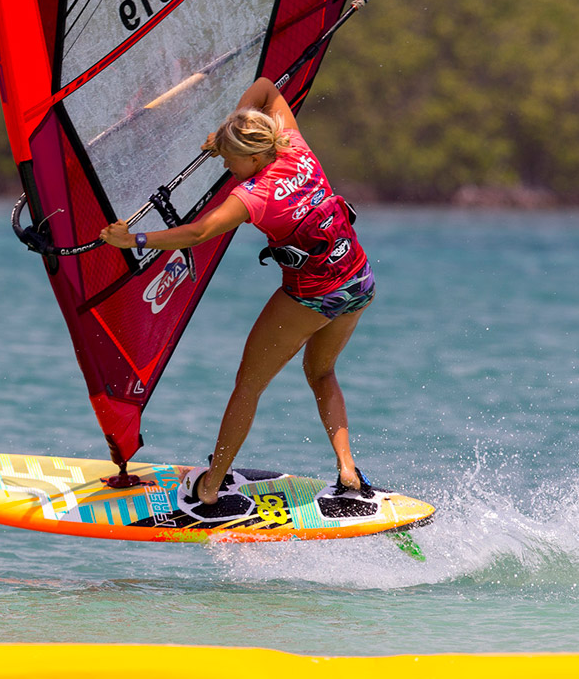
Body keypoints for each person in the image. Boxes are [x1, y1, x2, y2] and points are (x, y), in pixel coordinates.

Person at [99, 76, 376, 506]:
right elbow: (266, 88)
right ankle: (347, 471)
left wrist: (131, 239)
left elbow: (197, 232)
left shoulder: (254, 195)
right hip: (358, 280)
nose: (228, 169)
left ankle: (210, 488)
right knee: (320, 372)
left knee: (247, 385)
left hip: (315, 295)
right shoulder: (295, 147)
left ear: (251, 157)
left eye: (231, 161)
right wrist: (226, 131)